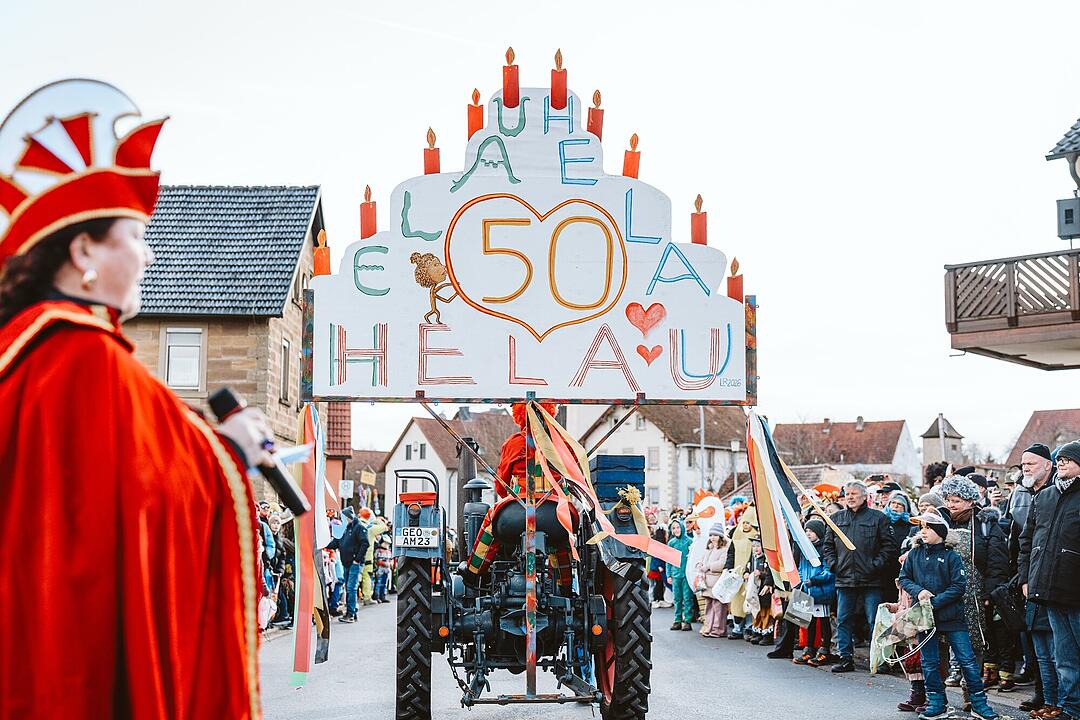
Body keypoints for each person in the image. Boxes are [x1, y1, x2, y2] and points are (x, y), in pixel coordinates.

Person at [0, 80, 265, 717]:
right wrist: (229, 451)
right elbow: (150, 493)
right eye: (134, 236)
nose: (147, 255)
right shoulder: (83, 362)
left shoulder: (24, 353)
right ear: (84, 249)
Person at [900, 511, 999, 720]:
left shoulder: (951, 556)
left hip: (953, 618)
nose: (923, 532)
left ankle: (978, 703)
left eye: (928, 527)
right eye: (922, 527)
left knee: (967, 660)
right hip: (925, 620)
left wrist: (934, 602)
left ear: (941, 532)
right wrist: (919, 592)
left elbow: (958, 586)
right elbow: (904, 578)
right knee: (929, 661)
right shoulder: (915, 554)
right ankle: (936, 702)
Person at [1019, 440, 1080, 720]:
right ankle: (1071, 708)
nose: (1063, 462)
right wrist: (1026, 578)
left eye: (1069, 458)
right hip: (1050, 589)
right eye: (1061, 459)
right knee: (1064, 657)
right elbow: (1028, 542)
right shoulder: (1045, 496)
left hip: (1075, 588)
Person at [940, 474, 1010, 693]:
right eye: (949, 500)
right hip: (945, 591)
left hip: (975, 594)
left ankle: (971, 691)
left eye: (957, 501)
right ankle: (940, 690)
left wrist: (989, 593)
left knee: (974, 642)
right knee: (944, 640)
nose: (951, 505)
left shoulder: (985, 523)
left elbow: (997, 561)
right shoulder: (940, 520)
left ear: (970, 500)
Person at [822, 481, 899, 673]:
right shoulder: (836, 518)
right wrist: (834, 565)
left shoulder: (878, 518)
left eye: (854, 494)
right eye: (847, 493)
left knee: (874, 620)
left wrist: (875, 565)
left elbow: (888, 547)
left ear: (864, 496)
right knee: (843, 619)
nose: (850, 497)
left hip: (871, 579)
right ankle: (845, 657)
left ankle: (878, 660)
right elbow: (828, 546)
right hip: (844, 578)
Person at [793, 518, 835, 667]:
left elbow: (828, 571)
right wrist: (800, 582)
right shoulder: (805, 550)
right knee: (809, 621)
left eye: (811, 531)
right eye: (806, 531)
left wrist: (815, 580)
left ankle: (825, 650)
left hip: (821, 591)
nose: (808, 533)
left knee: (823, 621)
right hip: (807, 590)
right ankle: (809, 648)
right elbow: (801, 568)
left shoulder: (824, 549)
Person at [327, 507, 369, 622]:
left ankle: (350, 614)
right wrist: (324, 545)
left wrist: (358, 559)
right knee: (349, 588)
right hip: (346, 562)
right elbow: (336, 542)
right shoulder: (344, 529)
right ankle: (352, 613)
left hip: (354, 563)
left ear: (348, 517)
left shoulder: (359, 528)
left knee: (351, 587)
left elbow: (365, 543)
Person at [724, 506, 760, 639]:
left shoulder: (755, 537)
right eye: (744, 522)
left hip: (750, 575)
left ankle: (749, 627)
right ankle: (737, 627)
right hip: (736, 574)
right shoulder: (736, 536)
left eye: (748, 523)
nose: (745, 525)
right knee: (737, 601)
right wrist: (727, 567)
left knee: (749, 599)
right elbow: (731, 554)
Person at [696, 526, 730, 637]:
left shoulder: (724, 549)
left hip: (717, 581)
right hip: (707, 582)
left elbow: (722, 564)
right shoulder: (709, 549)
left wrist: (708, 566)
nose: (712, 538)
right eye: (711, 535)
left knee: (718, 606)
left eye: (715, 535)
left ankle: (718, 629)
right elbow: (702, 559)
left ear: (720, 536)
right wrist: (700, 564)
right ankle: (708, 627)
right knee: (708, 605)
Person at [882, 491, 913, 603]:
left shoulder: (911, 525)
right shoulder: (881, 521)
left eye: (900, 504)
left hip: (902, 568)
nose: (895, 506)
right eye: (893, 503)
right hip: (883, 568)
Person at [666, 517, 694, 631]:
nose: (676, 530)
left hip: (687, 574)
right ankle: (677, 620)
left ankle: (687, 620)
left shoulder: (690, 541)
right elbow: (668, 560)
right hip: (675, 574)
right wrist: (669, 575)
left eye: (678, 527)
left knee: (687, 598)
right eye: (674, 528)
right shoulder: (672, 542)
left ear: (682, 528)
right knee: (677, 598)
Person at [649, 526, 671, 608]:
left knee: (658, 584)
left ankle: (658, 599)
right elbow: (656, 556)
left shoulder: (655, 544)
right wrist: (659, 566)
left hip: (657, 568)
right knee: (658, 584)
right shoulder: (659, 545)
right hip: (658, 569)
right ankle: (656, 599)